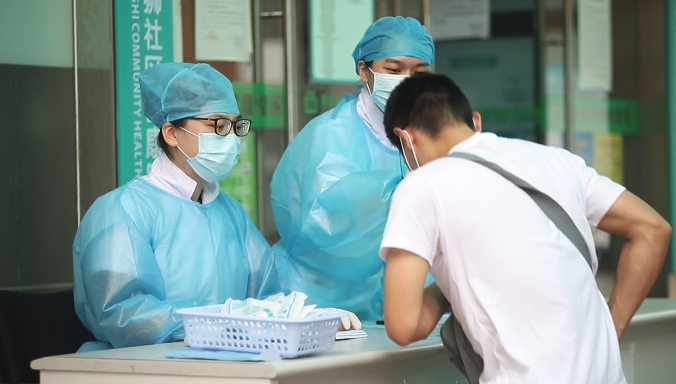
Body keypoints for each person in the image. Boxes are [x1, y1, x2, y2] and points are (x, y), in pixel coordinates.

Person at [380, 73, 671, 384]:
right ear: (475, 120)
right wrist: (613, 330)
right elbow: (652, 229)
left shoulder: (422, 185)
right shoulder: (559, 162)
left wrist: (443, 291)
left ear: (406, 138)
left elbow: (403, 325)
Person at [72, 62, 280, 351]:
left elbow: (267, 296)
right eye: (217, 125)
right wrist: (216, 322)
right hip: (138, 370)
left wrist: (309, 315)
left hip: (230, 365)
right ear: (171, 133)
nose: (230, 137)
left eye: (235, 126)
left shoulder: (231, 214)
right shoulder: (123, 210)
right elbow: (122, 314)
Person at [270, 16, 435, 321]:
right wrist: (403, 184)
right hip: (316, 298)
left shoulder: (424, 134)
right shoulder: (331, 135)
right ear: (364, 70)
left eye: (419, 72)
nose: (408, 81)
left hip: (388, 306)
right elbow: (324, 227)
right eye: (394, 70)